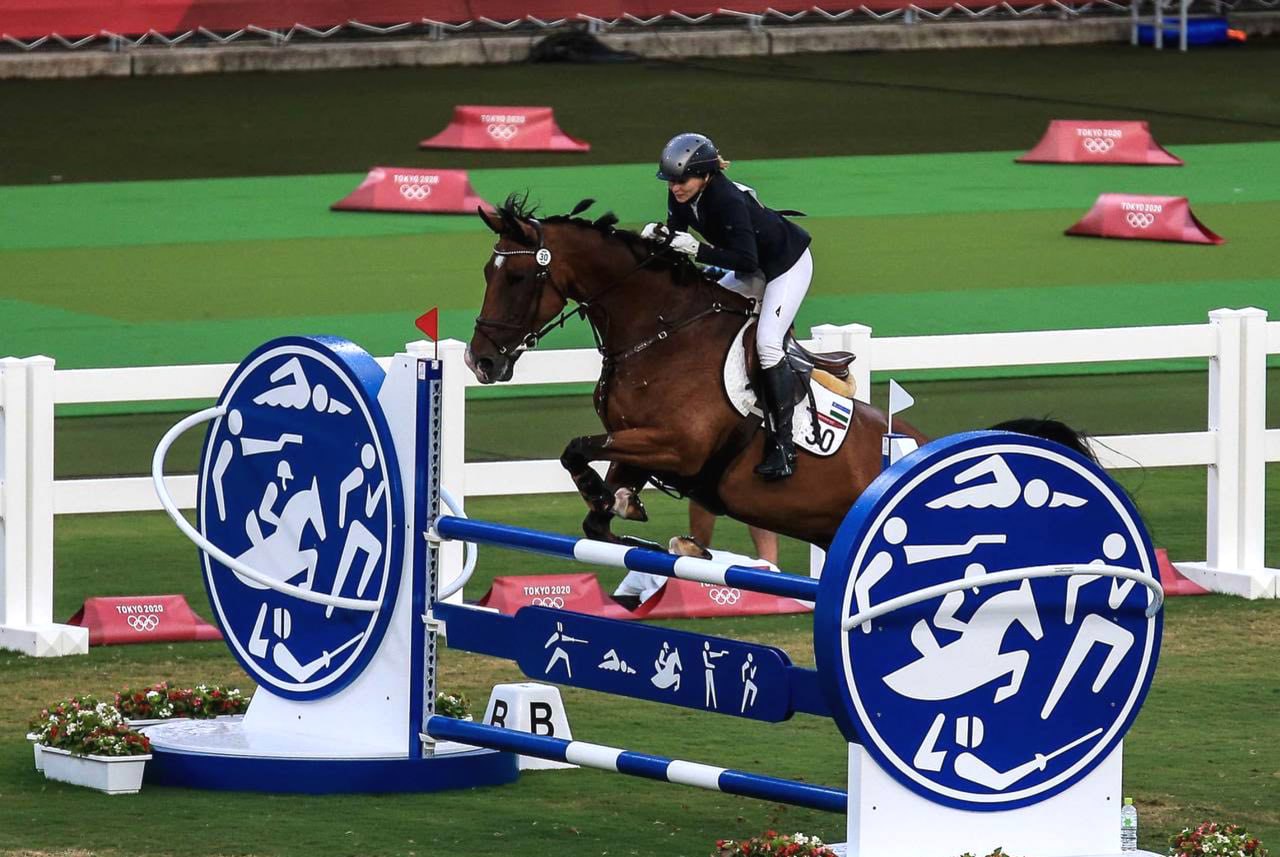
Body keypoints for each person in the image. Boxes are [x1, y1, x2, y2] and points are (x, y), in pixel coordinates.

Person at [642, 132, 813, 480]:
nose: (675, 187)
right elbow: (677, 236)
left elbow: (747, 261)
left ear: (705, 175)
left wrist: (696, 249)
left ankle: (783, 448)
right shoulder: (681, 193)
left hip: (785, 267)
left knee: (768, 344)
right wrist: (659, 241)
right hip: (751, 267)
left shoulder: (727, 200)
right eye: (671, 181)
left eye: (682, 180)